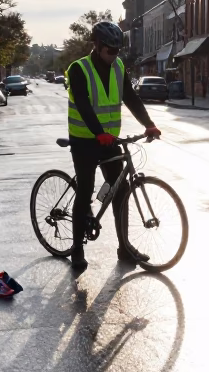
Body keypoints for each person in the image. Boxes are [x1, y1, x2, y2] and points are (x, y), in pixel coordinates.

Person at [65, 21, 161, 270]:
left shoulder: (118, 67)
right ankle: (77, 248)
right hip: (84, 140)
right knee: (85, 190)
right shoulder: (79, 69)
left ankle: (124, 247)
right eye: (110, 50)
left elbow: (130, 96)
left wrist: (149, 124)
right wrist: (98, 133)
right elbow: (84, 105)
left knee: (121, 190)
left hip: (109, 140)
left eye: (118, 51)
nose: (114, 55)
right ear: (97, 45)